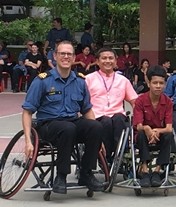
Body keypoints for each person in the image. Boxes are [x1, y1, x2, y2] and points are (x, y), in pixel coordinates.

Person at [21, 40, 104, 194]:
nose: (66, 57)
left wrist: (98, 138)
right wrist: (27, 141)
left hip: (72, 122)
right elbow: (27, 111)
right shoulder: (42, 80)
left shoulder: (80, 81)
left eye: (69, 54)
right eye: (62, 53)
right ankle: (61, 175)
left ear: (74, 58)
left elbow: (87, 110)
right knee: (68, 128)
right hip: (48, 126)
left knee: (96, 126)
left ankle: (86, 173)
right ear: (55, 56)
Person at [85, 47, 138, 163]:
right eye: (104, 58)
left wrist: (139, 120)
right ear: (97, 61)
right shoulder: (88, 79)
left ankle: (121, 155)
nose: (107, 61)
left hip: (117, 116)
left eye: (110, 58)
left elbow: (135, 102)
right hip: (97, 117)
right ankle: (106, 157)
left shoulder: (123, 80)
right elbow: (82, 103)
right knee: (106, 121)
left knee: (119, 119)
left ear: (115, 61)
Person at [132, 65, 173, 187]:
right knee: (140, 134)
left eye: (161, 83)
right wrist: (147, 129)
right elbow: (138, 125)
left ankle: (157, 170)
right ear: (149, 83)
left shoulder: (168, 102)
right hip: (143, 136)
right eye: (155, 83)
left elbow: (169, 127)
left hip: (160, 137)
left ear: (165, 84)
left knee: (169, 135)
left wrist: (157, 131)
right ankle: (144, 169)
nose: (158, 86)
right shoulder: (140, 101)